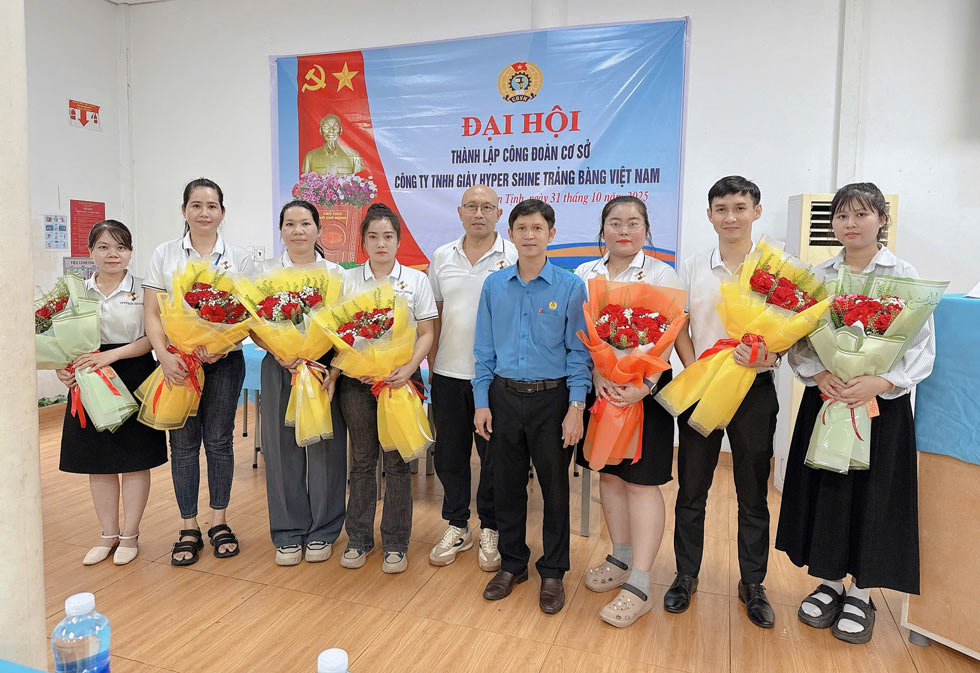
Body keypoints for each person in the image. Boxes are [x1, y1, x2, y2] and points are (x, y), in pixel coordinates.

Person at [776, 182, 934, 644]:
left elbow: (922, 349)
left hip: (880, 407)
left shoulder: (904, 274)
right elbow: (798, 340)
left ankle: (862, 593)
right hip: (828, 399)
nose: (850, 224)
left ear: (882, 219)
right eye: (841, 216)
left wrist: (881, 382)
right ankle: (828, 583)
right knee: (829, 487)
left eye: (861, 215)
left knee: (873, 492)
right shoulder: (819, 275)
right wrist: (818, 375)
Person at [668, 176, 781, 628]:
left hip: (755, 389)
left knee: (752, 492)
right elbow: (679, 323)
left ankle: (753, 582)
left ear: (756, 210)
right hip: (703, 386)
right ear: (709, 215)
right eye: (721, 208)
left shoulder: (776, 267)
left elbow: (793, 325)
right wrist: (695, 368)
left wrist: (772, 354)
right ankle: (684, 575)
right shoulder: (694, 265)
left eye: (740, 207)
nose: (730, 217)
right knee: (692, 487)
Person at [473, 198, 591, 614]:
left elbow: (579, 354)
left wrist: (576, 406)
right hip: (503, 398)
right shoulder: (494, 286)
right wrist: (481, 402)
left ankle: (554, 571)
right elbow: (483, 350)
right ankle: (513, 563)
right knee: (505, 485)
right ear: (512, 234)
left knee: (555, 489)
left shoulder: (572, 286)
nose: (529, 236)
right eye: (521, 228)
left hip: (553, 400)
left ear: (551, 235)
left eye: (537, 229)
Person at [573, 196, 681, 627]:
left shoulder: (661, 274)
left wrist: (644, 386)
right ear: (602, 229)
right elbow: (578, 333)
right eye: (615, 222)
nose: (624, 230)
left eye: (633, 223)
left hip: (646, 393)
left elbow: (669, 336)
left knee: (641, 483)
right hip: (603, 390)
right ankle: (619, 558)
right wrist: (597, 378)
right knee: (610, 476)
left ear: (646, 230)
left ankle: (640, 581)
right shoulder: (585, 274)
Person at [143, 177, 256, 565]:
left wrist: (220, 345)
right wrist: (165, 353)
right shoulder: (165, 254)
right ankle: (188, 525)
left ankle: (219, 520)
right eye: (196, 205)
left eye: (212, 206)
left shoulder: (239, 258)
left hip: (224, 363)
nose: (204, 212)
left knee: (220, 442)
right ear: (184, 210)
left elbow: (249, 316)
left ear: (222, 212)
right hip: (178, 365)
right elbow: (152, 312)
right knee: (184, 445)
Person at [328, 203, 437, 574]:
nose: (380, 243)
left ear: (398, 240)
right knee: (361, 462)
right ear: (362, 242)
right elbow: (337, 334)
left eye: (387, 236)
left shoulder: (416, 281)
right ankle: (358, 539)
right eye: (373, 237)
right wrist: (352, 366)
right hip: (357, 385)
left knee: (397, 461)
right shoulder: (347, 281)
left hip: (401, 382)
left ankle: (395, 542)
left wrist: (408, 369)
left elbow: (427, 333)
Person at [56, 220, 167, 566]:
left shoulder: (144, 290)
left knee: (134, 460)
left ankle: (131, 535)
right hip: (89, 378)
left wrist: (112, 355)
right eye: (103, 247)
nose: (112, 254)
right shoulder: (75, 291)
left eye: (120, 247)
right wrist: (63, 367)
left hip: (133, 373)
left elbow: (154, 337)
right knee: (98, 461)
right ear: (90, 252)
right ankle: (107, 534)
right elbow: (61, 339)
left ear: (131, 252)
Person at [426, 185, 517, 571]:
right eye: (471, 207)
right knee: (450, 455)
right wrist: (432, 365)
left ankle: (492, 527)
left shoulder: (514, 255)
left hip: (496, 378)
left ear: (499, 213)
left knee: (495, 458)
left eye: (487, 207)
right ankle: (457, 523)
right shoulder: (442, 256)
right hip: (448, 373)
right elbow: (434, 315)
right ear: (459, 212)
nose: (479, 213)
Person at [254, 200, 348, 566]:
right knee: (280, 448)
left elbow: (343, 328)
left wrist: (333, 370)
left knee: (325, 446)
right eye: (290, 224)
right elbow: (251, 323)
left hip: (321, 367)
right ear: (281, 231)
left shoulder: (336, 274)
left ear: (318, 230)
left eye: (305, 223)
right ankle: (288, 532)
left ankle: (324, 530)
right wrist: (278, 351)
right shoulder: (265, 273)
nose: (297, 230)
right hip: (280, 364)